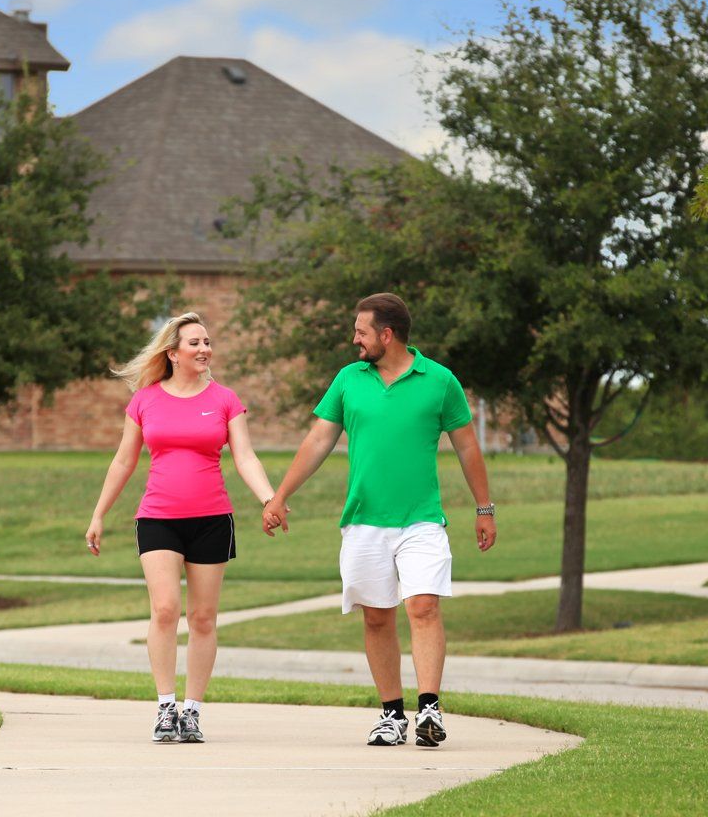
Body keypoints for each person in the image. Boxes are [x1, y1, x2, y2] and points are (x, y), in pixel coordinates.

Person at [262, 293, 496, 748]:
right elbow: (317, 441)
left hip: (422, 520)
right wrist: (280, 495)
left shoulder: (441, 381)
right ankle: (392, 714)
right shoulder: (350, 379)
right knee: (376, 618)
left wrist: (484, 508)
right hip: (364, 521)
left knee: (423, 606)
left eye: (361, 332)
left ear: (386, 335)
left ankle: (430, 707)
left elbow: (468, 447)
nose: (355, 339)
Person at [87, 312, 275, 744]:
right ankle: (165, 706)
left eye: (207, 341)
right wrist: (98, 514)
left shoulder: (226, 399)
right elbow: (123, 461)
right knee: (166, 609)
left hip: (212, 518)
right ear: (172, 353)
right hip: (157, 518)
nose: (204, 349)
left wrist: (269, 499)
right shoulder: (146, 401)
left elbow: (245, 457)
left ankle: (192, 711)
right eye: (194, 342)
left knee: (203, 617)